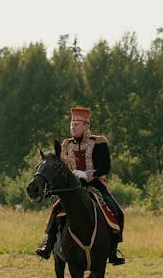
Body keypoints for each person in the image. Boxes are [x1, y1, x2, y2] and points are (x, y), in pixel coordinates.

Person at [35, 106, 125, 265]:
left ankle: (113, 252)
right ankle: (48, 245)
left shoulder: (99, 142)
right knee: (56, 209)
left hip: (95, 185)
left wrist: (88, 174)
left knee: (117, 212)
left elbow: (106, 166)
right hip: (72, 187)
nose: (72, 127)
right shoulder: (66, 144)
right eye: (71, 124)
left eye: (76, 124)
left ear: (86, 126)